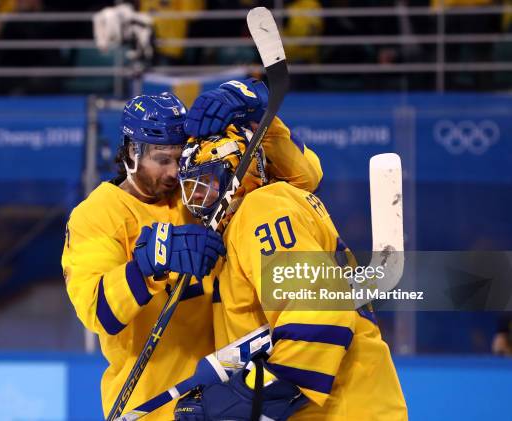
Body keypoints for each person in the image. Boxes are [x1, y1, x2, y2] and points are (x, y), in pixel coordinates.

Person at [62, 78, 323, 419]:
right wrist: (148, 267)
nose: (174, 173)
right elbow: (98, 311)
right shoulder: (97, 214)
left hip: (225, 403)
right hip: (152, 404)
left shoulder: (199, 191)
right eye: (161, 160)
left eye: (179, 158)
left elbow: (305, 179)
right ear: (131, 152)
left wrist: (260, 116)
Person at [174, 125, 408, 420]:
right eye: (192, 187)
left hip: (343, 409)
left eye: (207, 182)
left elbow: (319, 316)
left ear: (240, 176)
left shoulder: (262, 210)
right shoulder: (258, 214)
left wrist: (245, 397)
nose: (197, 197)